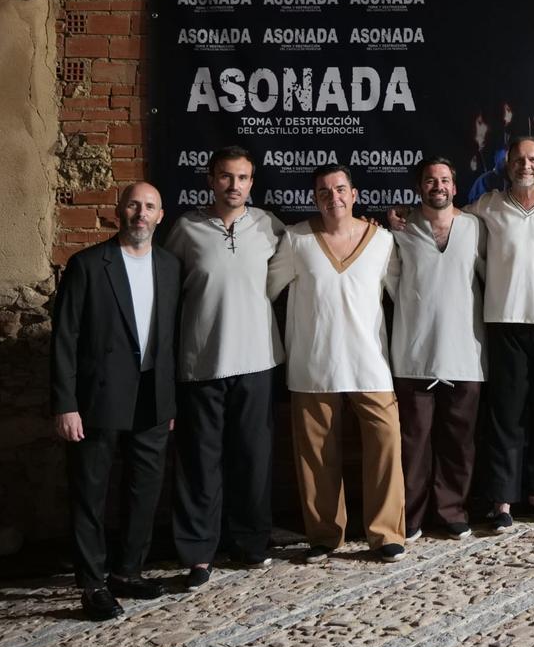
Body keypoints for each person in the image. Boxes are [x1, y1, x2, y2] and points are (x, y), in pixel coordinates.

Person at [395, 137, 534, 530]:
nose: (525, 165)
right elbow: (446, 220)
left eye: (533, 160)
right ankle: (502, 501)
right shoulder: (485, 208)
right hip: (503, 320)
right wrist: (401, 219)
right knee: (505, 415)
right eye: (518, 159)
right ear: (506, 166)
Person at [51, 182, 181, 620]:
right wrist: (65, 404)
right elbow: (65, 339)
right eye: (133, 205)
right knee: (90, 493)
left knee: (145, 490)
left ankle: (128, 572)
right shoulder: (88, 265)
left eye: (149, 207)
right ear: (118, 211)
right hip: (97, 399)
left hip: (153, 396)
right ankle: (92, 584)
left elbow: (172, 339)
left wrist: (172, 402)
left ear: (161, 216)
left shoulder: (170, 265)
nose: (140, 214)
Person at [267, 164, 406, 562]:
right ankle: (325, 535)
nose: (334, 198)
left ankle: (385, 533)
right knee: (316, 455)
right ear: (315, 198)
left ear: (355, 194)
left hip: (371, 362)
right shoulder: (296, 239)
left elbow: (404, 296)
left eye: (340, 189)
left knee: (386, 443)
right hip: (313, 363)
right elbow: (266, 289)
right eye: (324, 192)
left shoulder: (381, 241)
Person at [167, 146, 284, 590]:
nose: (233, 185)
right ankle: (198, 553)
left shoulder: (270, 226)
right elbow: (170, 290)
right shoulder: (186, 229)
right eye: (225, 177)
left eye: (242, 178)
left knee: (254, 459)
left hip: (257, 361)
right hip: (201, 363)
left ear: (252, 182)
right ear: (210, 179)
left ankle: (252, 543)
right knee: (200, 461)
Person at [390, 158, 487, 541]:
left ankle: (451, 511)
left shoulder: (476, 228)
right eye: (430, 180)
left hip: (466, 353)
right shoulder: (399, 230)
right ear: (420, 187)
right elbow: (388, 283)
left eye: (444, 179)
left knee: (459, 442)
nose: (438, 186)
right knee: (413, 443)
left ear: (455, 186)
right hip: (414, 355)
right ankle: (411, 516)